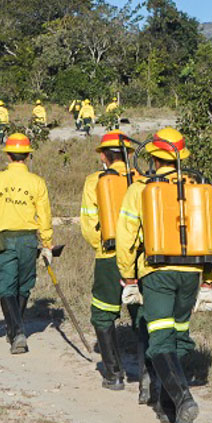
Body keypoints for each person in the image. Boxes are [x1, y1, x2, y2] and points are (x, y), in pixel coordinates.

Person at [115, 128, 212, 423]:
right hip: (192, 274)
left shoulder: (141, 189)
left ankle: (183, 400)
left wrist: (128, 276)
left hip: (156, 274)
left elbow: (126, 237)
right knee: (176, 338)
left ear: (153, 157)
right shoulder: (197, 189)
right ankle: (167, 404)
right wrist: (209, 281)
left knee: (160, 340)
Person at [0, 134, 53, 354]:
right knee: (24, 285)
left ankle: (16, 331)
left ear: (8, 155)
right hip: (29, 240)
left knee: (7, 286)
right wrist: (47, 244)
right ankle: (16, 330)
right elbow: (44, 216)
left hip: (5, 240)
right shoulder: (37, 182)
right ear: (28, 156)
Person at [79, 131, 132, 390]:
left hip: (109, 257)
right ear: (129, 154)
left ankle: (114, 373)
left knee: (102, 315)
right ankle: (149, 378)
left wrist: (103, 246)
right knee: (144, 316)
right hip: (140, 260)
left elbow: (89, 226)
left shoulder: (95, 181)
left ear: (103, 155)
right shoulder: (142, 180)